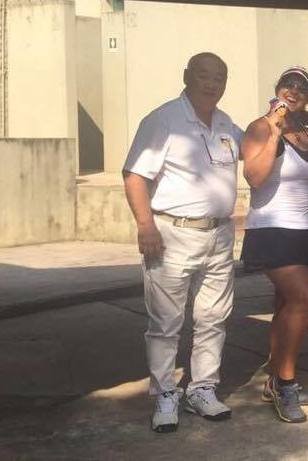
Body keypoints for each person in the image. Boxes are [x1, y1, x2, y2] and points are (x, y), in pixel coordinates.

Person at [123, 52, 243, 433]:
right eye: (204, 75)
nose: (211, 84)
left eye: (219, 77)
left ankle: (202, 389)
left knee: (213, 317)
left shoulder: (227, 125)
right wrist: (145, 225)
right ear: (187, 76)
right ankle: (164, 394)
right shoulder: (164, 119)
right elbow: (134, 175)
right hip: (171, 234)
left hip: (219, 235)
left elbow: (257, 153)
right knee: (165, 322)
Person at [240, 66, 308, 424]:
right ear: (277, 89)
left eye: (301, 88)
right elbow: (254, 177)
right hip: (271, 230)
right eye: (288, 85)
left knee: (286, 305)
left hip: (305, 231)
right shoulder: (260, 127)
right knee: (304, 298)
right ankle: (285, 382)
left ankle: (274, 378)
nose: (293, 91)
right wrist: (275, 131)